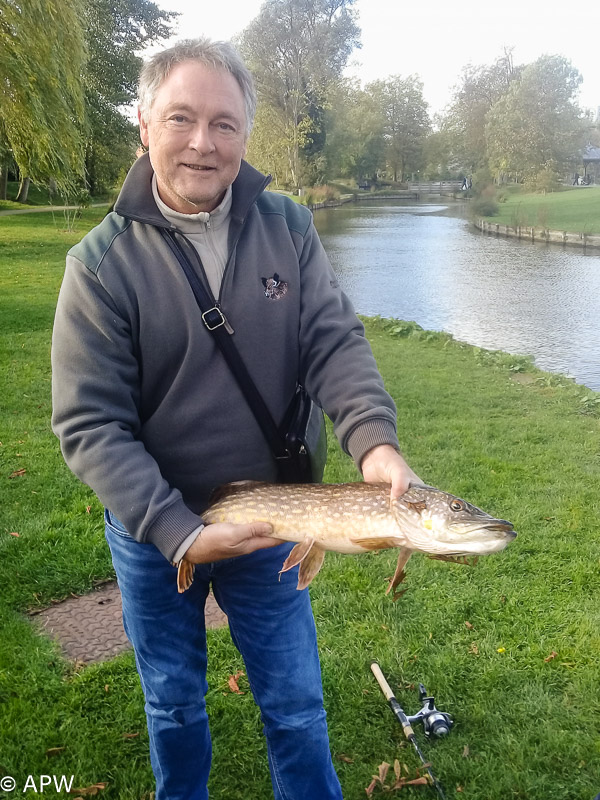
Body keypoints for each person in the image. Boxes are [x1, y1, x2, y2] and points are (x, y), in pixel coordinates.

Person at [51, 37, 419, 800]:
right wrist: (179, 531)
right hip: (158, 529)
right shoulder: (100, 263)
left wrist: (375, 445)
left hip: (278, 524)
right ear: (144, 124)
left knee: (295, 706)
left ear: (245, 135)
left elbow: (332, 344)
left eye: (225, 123)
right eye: (181, 118)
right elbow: (90, 424)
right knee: (174, 702)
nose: (202, 142)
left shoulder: (287, 224)